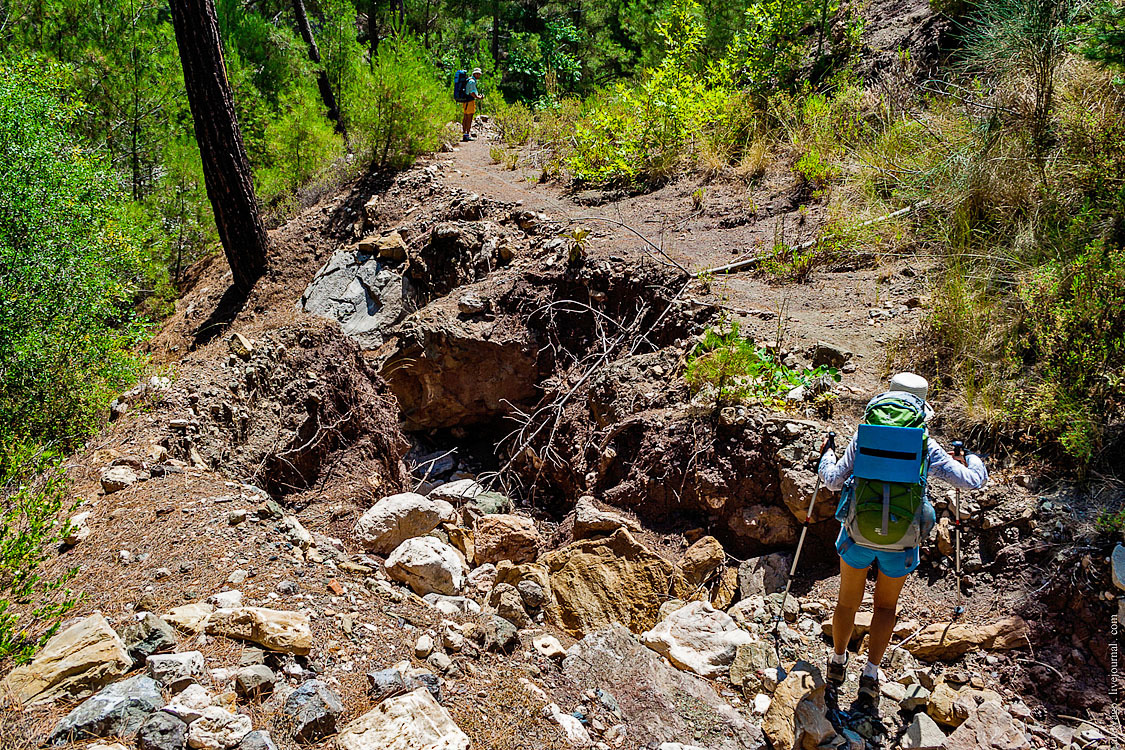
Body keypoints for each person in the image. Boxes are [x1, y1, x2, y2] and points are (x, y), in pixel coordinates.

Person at [818, 372, 988, 701]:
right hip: (902, 540)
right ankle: (870, 674)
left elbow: (833, 481)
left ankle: (837, 662)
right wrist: (972, 458)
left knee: (846, 602)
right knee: (885, 607)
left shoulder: (864, 437)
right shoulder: (926, 444)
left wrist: (826, 453)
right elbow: (972, 481)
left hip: (857, 535)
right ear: (922, 408)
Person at [461, 68, 484, 142]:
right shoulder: (472, 81)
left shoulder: (469, 80)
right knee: (469, 118)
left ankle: (464, 134)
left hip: (466, 101)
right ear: (475, 74)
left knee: (465, 117)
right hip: (470, 101)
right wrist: (479, 97)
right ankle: (466, 135)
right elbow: (472, 93)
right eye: (478, 74)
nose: (479, 75)